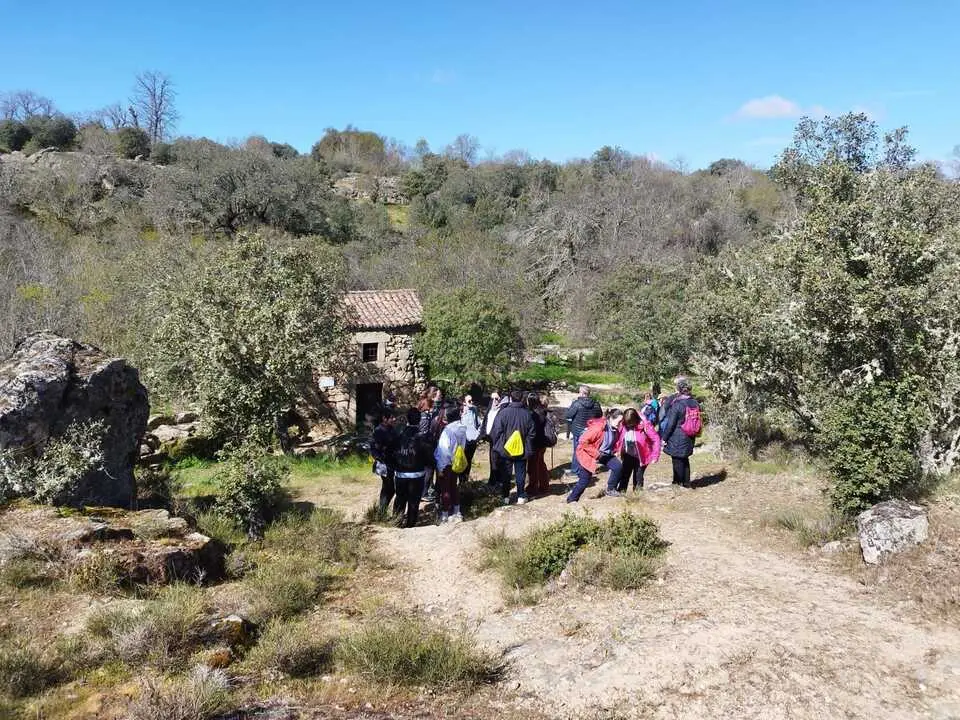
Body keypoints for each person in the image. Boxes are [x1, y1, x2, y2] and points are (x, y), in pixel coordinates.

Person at [567, 408, 624, 502]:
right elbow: (583, 441)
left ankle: (610, 489)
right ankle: (572, 499)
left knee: (617, 467)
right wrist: (597, 455)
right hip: (588, 453)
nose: (620, 423)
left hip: (604, 453)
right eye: (619, 421)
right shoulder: (598, 428)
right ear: (611, 418)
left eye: (622, 421)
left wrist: (615, 450)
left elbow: (612, 442)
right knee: (585, 479)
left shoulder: (614, 428)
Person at [490, 389, 537, 504]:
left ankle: (505, 496)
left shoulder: (503, 413)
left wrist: (501, 445)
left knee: (506, 473)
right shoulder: (527, 414)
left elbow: (496, 431)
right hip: (522, 449)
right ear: (521, 399)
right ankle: (520, 495)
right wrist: (526, 444)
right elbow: (532, 433)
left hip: (506, 449)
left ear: (510, 399)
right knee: (520, 473)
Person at [392, 408, 433, 527]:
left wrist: (395, 466)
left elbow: (391, 452)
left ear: (407, 419)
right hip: (417, 474)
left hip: (400, 474)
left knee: (400, 499)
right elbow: (428, 456)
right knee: (414, 501)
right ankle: (410, 524)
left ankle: (396, 523)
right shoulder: (422, 437)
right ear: (419, 420)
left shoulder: (399, 435)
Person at [660, 377, 700, 487]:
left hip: (677, 436)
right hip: (690, 435)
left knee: (677, 460)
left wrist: (664, 438)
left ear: (678, 390)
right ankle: (686, 483)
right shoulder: (694, 402)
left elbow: (671, 424)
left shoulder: (677, 404)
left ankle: (677, 483)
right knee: (685, 459)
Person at [434, 405, 467, 523]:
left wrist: (440, 467)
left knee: (445, 489)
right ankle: (457, 512)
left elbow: (443, 450)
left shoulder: (447, 431)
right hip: (456, 462)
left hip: (446, 463)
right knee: (454, 486)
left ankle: (445, 515)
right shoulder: (462, 429)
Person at [616, 407, 661, 492]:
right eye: (627, 423)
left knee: (638, 477)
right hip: (628, 454)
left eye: (630, 424)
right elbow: (619, 437)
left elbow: (656, 439)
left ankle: (637, 494)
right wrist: (616, 449)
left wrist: (655, 456)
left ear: (635, 420)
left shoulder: (645, 425)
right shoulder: (623, 424)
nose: (628, 425)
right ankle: (621, 492)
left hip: (642, 456)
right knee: (624, 475)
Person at [565, 385, 602, 475]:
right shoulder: (596, 404)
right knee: (590, 451)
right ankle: (588, 469)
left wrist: (569, 407)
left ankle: (575, 471)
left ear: (581, 393)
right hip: (591, 431)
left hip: (579, 431)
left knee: (578, 451)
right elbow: (600, 415)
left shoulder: (576, 403)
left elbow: (568, 415)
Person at [370, 409, 398, 512]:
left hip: (392, 463)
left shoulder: (392, 429)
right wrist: (381, 459)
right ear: (384, 418)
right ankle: (381, 511)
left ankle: (382, 511)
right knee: (389, 488)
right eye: (391, 417)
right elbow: (374, 449)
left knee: (388, 488)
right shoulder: (379, 431)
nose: (394, 419)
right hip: (384, 464)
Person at [526, 393, 551, 496]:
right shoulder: (545, 412)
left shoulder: (536, 413)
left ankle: (533, 487)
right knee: (540, 464)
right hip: (543, 442)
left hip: (536, 443)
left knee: (533, 466)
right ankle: (544, 486)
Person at [480, 391, 504, 488]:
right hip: (491, 439)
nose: (494, 401)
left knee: (499, 460)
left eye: (496, 398)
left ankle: (499, 480)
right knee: (492, 460)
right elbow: (485, 423)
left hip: (500, 439)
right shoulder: (489, 410)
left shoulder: (502, 410)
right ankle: (493, 480)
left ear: (500, 399)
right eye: (492, 399)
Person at [461, 394, 482, 480]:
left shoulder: (474, 409)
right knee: (462, 460)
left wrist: (478, 433)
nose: (471, 402)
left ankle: (465, 480)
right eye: (469, 401)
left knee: (469, 460)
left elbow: (479, 423)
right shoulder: (461, 411)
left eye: (472, 400)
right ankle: (461, 479)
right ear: (464, 403)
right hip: (463, 440)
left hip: (473, 439)